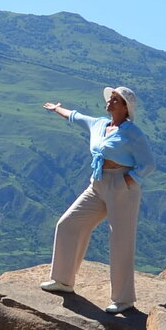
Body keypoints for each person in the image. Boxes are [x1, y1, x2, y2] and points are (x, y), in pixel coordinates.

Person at [40, 86, 155, 313]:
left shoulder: (132, 133)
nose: (109, 102)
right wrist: (57, 109)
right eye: (111, 98)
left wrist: (127, 180)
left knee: (120, 242)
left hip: (122, 187)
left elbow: (149, 164)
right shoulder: (100, 124)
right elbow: (76, 117)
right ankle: (63, 280)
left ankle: (123, 299)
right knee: (68, 224)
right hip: (98, 183)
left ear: (125, 107)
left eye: (115, 99)